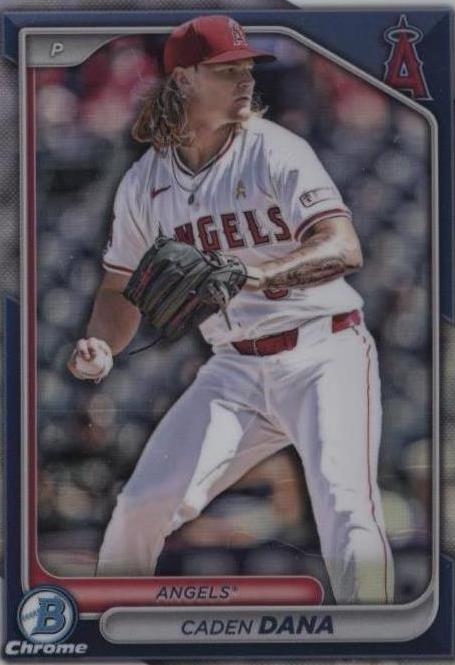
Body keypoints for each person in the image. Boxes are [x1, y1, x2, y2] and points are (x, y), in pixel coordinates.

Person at [68, 15, 394, 603]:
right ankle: (108, 630)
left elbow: (345, 247)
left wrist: (263, 273)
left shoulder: (274, 149)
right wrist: (102, 345)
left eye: (247, 68)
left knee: (346, 506)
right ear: (183, 79)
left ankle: (379, 638)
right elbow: (118, 286)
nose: (245, 79)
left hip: (324, 352)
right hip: (235, 368)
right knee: (140, 506)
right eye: (226, 70)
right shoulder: (145, 182)